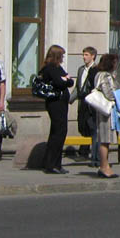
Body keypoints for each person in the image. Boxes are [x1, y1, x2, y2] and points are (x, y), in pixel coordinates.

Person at [39, 45, 73, 175]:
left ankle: (55, 163)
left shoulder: (58, 68)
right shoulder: (50, 68)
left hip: (61, 103)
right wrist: (64, 80)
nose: (63, 58)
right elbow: (60, 83)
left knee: (59, 132)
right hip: (55, 103)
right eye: (62, 55)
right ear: (56, 56)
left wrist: (65, 80)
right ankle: (52, 164)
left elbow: (70, 82)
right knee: (58, 133)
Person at [91, 53, 120, 178]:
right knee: (105, 139)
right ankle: (104, 166)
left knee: (104, 139)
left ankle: (104, 165)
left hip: (102, 110)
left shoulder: (99, 74)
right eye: (114, 62)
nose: (116, 65)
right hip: (106, 111)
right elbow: (109, 93)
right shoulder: (105, 76)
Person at [74, 47, 99, 166]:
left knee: (93, 129)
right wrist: (70, 100)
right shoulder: (81, 70)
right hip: (82, 103)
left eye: (86, 55)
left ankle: (93, 155)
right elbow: (77, 87)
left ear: (93, 56)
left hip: (92, 104)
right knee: (82, 126)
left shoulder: (96, 70)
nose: (84, 57)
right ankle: (85, 151)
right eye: (83, 55)